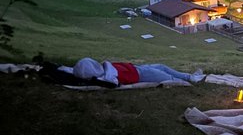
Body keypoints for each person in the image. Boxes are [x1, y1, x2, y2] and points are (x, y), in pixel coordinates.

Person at [72, 57, 205, 86]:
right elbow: (111, 84)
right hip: (140, 75)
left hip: (137, 68)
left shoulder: (105, 68)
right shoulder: (106, 77)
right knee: (167, 77)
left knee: (162, 66)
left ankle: (190, 77)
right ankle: (190, 82)